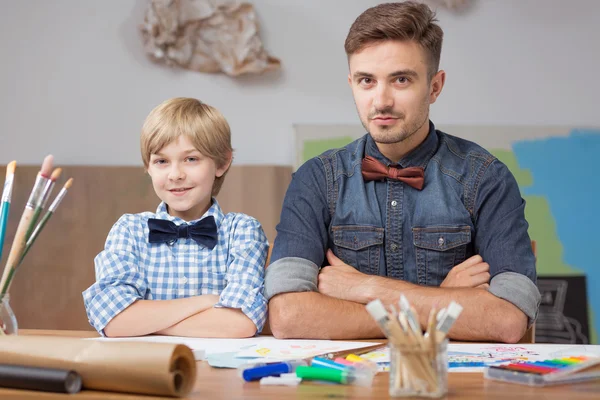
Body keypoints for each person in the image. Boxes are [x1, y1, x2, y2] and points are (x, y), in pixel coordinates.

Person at [265, 2, 540, 343]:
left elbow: (508, 319)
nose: (381, 100)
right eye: (367, 80)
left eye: (401, 80)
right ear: (351, 83)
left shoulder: (486, 178)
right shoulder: (316, 180)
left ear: (435, 86)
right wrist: (443, 301)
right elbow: (288, 316)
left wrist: (366, 288)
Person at [83, 97, 268, 338]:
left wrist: (142, 322)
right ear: (148, 167)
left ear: (222, 162)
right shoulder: (129, 230)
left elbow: (240, 323)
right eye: (161, 161)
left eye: (191, 159)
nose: (175, 174)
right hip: (145, 371)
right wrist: (206, 302)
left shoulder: (242, 231)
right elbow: (113, 320)